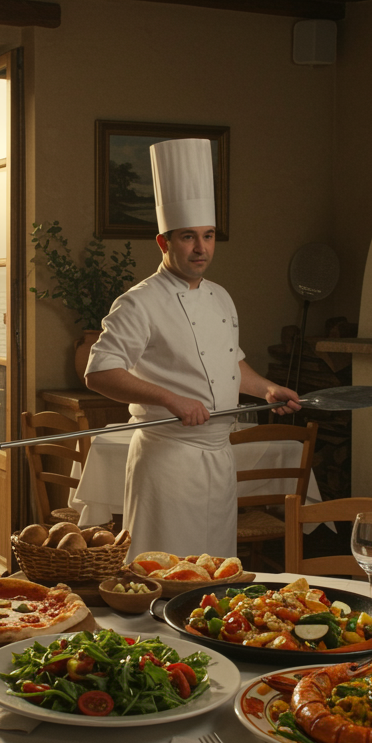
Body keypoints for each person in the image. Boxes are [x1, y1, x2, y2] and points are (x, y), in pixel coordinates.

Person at [85, 138, 301, 560]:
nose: (201, 248)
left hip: (219, 458)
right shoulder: (139, 301)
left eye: (208, 236)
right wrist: (172, 400)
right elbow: (99, 371)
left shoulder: (221, 296)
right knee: (160, 570)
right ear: (164, 243)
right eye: (188, 237)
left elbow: (231, 362)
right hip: (167, 459)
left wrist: (267, 389)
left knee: (213, 572)